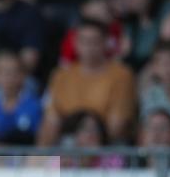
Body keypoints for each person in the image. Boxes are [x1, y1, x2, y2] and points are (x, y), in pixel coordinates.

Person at [38, 18, 137, 146]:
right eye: (84, 41)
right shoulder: (60, 75)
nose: (89, 47)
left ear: (106, 42)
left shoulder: (122, 75)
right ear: (75, 43)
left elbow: (117, 127)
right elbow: (50, 122)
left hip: (107, 148)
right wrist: (39, 160)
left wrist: (86, 140)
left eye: (94, 41)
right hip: (67, 146)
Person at [0, 50, 42, 148]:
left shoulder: (34, 106)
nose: (7, 77)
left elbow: (41, 144)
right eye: (2, 72)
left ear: (22, 75)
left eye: (12, 72)